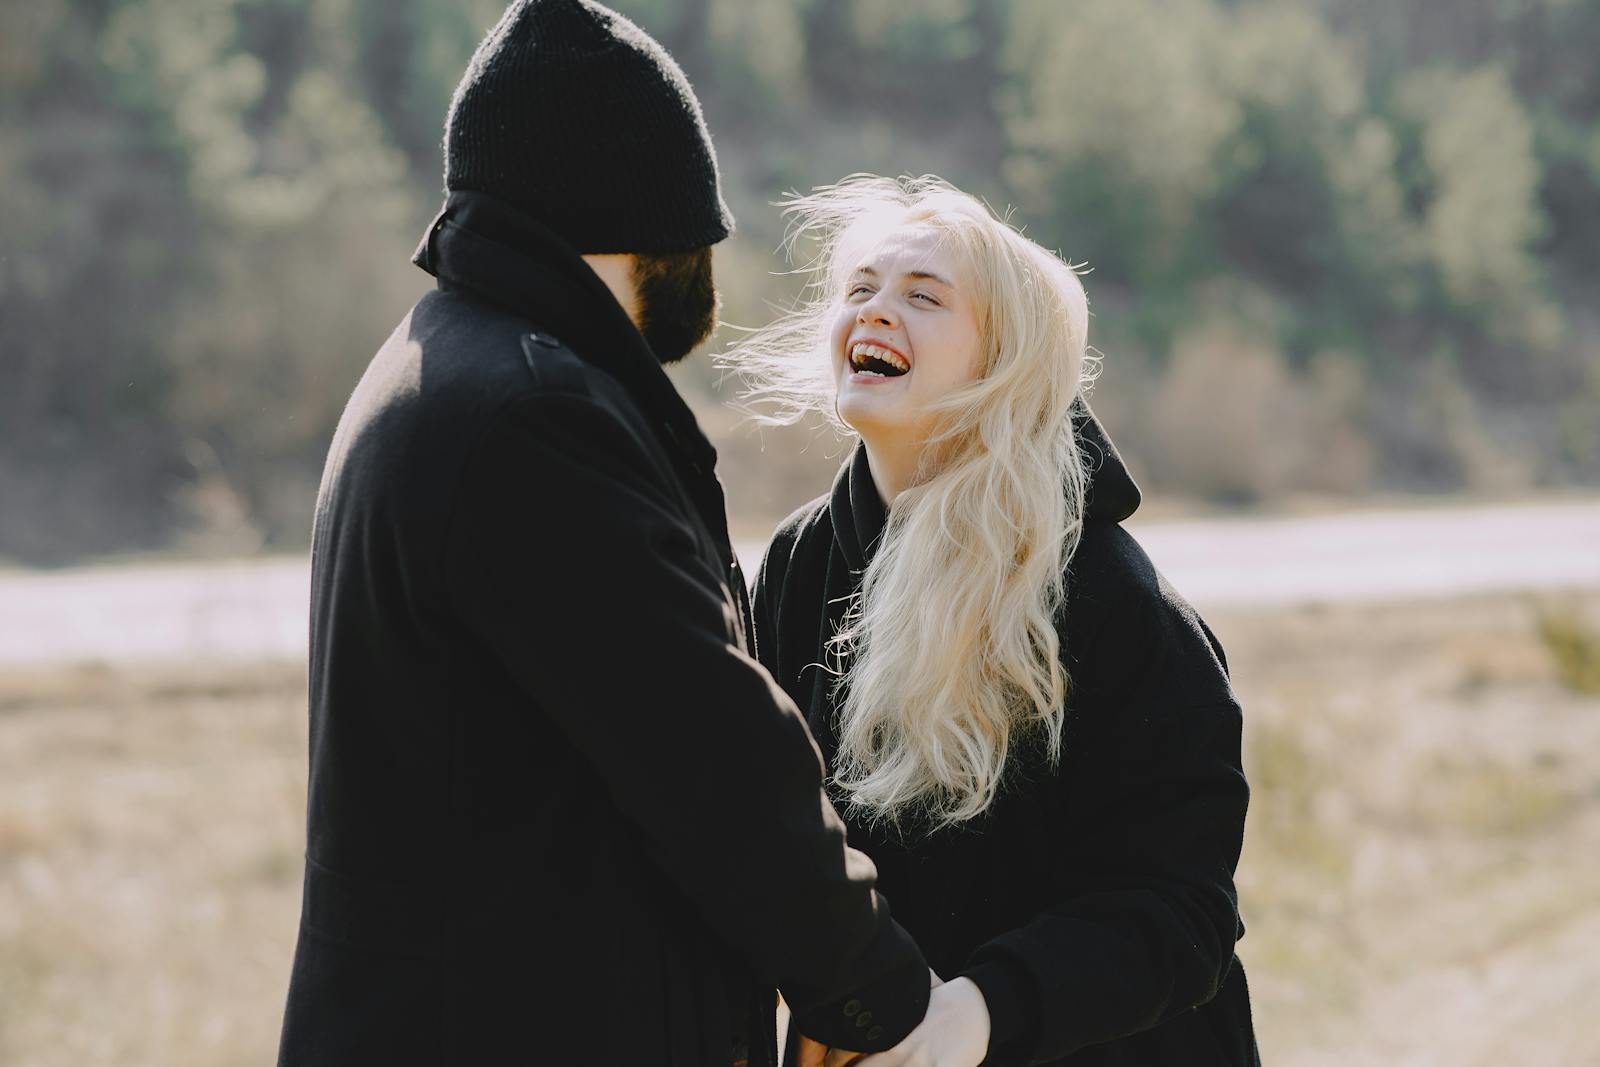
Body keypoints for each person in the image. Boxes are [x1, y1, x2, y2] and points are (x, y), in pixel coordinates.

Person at [273, 6, 934, 1065]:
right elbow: (709, 755)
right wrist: (881, 999)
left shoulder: (437, 364)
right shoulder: (535, 418)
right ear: (653, 217)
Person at [730, 176, 1259, 1066]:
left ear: (1002, 362)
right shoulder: (800, 563)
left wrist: (976, 1013)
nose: (875, 311)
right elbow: (772, 827)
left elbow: (1182, 913)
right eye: (858, 288)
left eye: (922, 295)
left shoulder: (1109, 595)